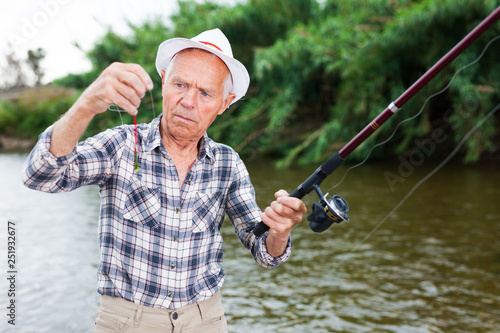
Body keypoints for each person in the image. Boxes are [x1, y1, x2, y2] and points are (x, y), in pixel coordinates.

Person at [22, 28, 307, 332]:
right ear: (163, 82)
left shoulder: (228, 164)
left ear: (225, 103)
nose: (187, 101)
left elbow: (264, 251)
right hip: (126, 322)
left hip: (205, 320)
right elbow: (41, 175)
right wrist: (88, 104)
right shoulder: (120, 145)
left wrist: (279, 231)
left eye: (205, 93)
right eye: (180, 84)